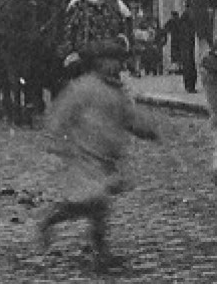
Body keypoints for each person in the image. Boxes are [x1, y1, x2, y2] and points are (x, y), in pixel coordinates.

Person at [36, 38, 160, 273]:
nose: (113, 67)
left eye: (117, 62)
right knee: (95, 203)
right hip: (83, 156)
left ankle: (71, 230)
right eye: (107, 62)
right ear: (96, 63)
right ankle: (84, 241)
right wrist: (55, 144)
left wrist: (147, 130)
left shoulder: (118, 92)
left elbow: (128, 118)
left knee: (95, 206)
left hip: (105, 159)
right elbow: (60, 116)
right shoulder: (82, 88)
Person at [59, 0, 131, 77]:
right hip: (85, 53)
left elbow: (124, 25)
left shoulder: (112, 6)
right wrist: (71, 51)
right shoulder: (78, 7)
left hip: (109, 50)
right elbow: (69, 30)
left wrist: (122, 40)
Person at [163, 6, 197, 94]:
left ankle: (189, 86)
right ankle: (190, 86)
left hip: (183, 43)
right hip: (185, 43)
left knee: (187, 64)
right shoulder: (185, 18)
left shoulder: (182, 19)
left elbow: (165, 29)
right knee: (188, 64)